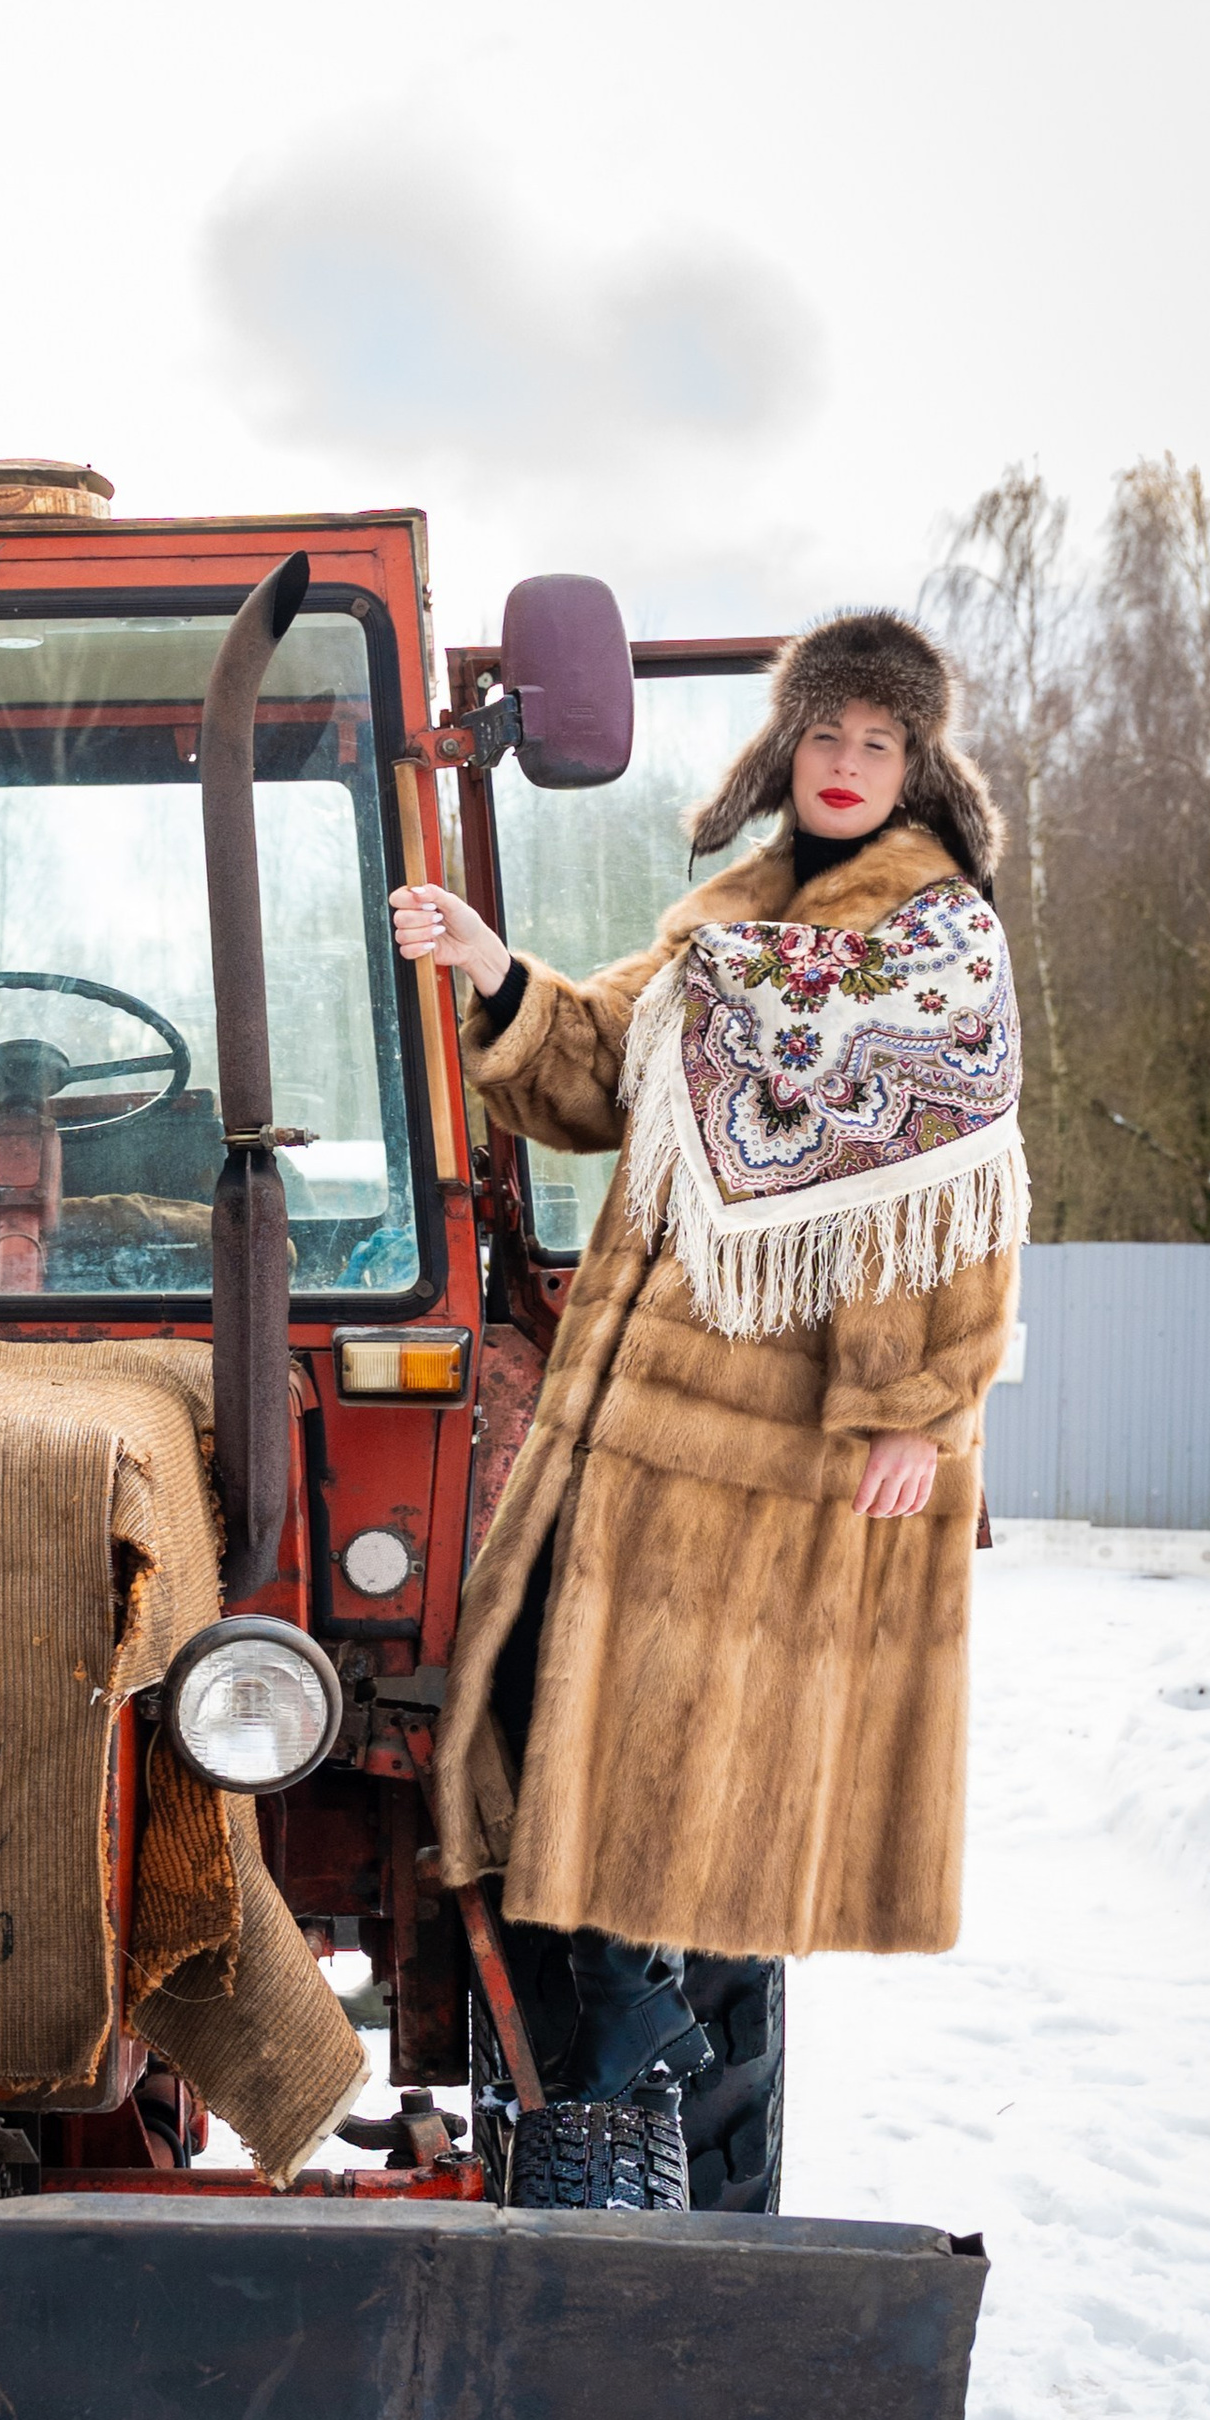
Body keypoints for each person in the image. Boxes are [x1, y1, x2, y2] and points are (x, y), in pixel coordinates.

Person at [391, 611, 1026, 2104]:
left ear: (917, 765)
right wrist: (494, 973)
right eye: (828, 733)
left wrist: (914, 1412)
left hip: (789, 1411)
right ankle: (620, 1999)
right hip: (639, 1396)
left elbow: (946, 1199)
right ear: (785, 751)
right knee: (569, 1673)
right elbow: (603, 1064)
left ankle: (643, 2008)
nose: (850, 761)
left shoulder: (938, 939)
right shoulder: (728, 924)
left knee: (697, 1724)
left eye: (880, 740)